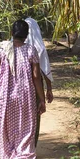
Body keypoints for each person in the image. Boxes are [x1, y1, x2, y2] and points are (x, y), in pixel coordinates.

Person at [0, 20, 46, 159]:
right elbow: (36, 77)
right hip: (26, 96)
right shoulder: (31, 50)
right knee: (26, 129)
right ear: (26, 36)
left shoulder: (2, 48)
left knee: (4, 130)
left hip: (6, 97)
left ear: (12, 33)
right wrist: (42, 99)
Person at [25, 17, 54, 145]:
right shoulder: (38, 46)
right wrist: (49, 89)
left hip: (16, 86)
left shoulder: (12, 45)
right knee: (34, 116)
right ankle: (31, 144)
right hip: (34, 88)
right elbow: (44, 68)